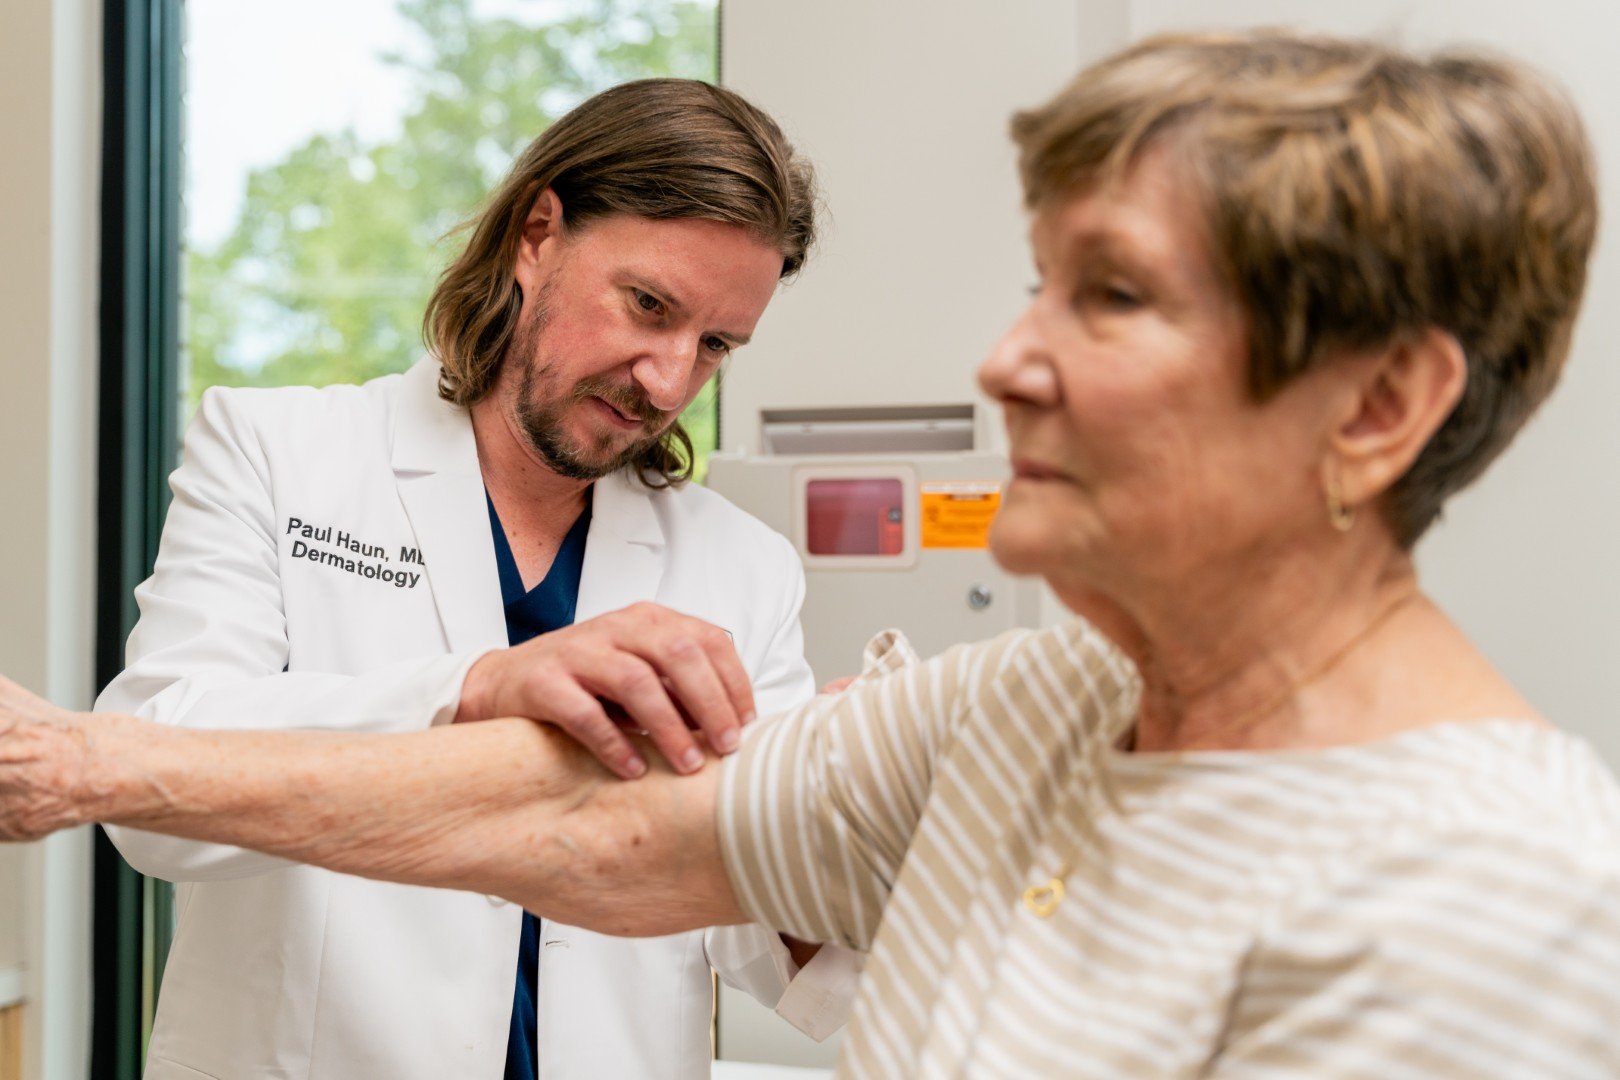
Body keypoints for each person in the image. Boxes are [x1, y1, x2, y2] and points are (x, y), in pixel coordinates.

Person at [6, 28, 1620, 1078]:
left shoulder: (1504, 897)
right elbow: (625, 842)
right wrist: (99, 758)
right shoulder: (1030, 701)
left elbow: (713, 905)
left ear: (1382, 404)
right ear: (535, 233)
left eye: (1109, 297)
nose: (1002, 360)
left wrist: (832, 915)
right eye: (1043, 285)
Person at [86, 78, 857, 1080]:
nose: (667, 381)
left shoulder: (740, 568)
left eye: (713, 345)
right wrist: (474, 691)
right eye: (648, 305)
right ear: (538, 235)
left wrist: (839, 827)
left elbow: (762, 943)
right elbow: (150, 788)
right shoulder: (279, 453)